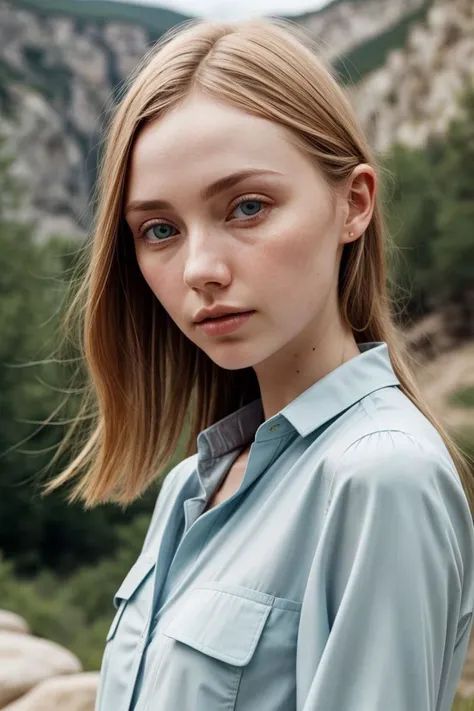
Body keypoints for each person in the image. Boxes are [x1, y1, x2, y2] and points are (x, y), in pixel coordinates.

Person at [45, 16, 474, 711]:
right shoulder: (191, 485)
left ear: (353, 204)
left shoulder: (381, 478)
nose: (201, 270)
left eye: (248, 206)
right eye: (160, 229)